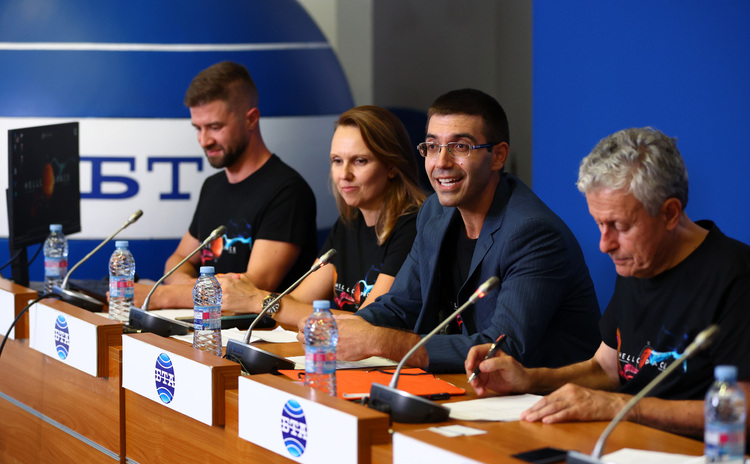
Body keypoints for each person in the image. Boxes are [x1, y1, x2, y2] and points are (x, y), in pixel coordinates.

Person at [465, 127, 750, 438]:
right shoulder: (637, 260)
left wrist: (618, 406)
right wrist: (529, 379)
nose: (605, 244)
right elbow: (606, 368)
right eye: (599, 223)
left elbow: (743, 411)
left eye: (620, 226)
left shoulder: (736, 277)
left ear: (669, 213)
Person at [330, 89, 601, 373]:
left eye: (460, 147)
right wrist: (345, 329)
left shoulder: (533, 233)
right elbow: (399, 306)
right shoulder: (435, 211)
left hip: (543, 401)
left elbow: (501, 349)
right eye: (432, 147)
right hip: (471, 388)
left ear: (498, 156)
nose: (442, 162)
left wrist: (379, 341)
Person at [133, 61, 318, 309]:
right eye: (197, 128)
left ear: (251, 119)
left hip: (253, 340)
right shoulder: (213, 186)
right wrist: (187, 285)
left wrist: (163, 295)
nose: (204, 140)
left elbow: (252, 289)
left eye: (215, 127)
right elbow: (178, 260)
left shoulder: (288, 192)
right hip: (204, 326)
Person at [219, 106, 426, 324]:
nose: (344, 174)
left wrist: (258, 300)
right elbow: (299, 300)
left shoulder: (413, 227)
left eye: (360, 161)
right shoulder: (349, 223)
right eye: (337, 160)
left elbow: (366, 323)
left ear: (392, 167)